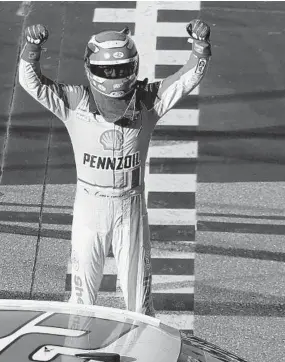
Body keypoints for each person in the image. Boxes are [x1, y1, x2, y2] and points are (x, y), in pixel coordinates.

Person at [18, 20, 211, 316]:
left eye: (120, 70)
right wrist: (32, 49)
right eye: (108, 71)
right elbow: (31, 82)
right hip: (92, 210)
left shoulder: (142, 101)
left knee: (140, 307)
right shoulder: (80, 101)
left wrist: (200, 48)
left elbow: (187, 79)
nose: (114, 77)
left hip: (128, 209)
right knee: (80, 304)